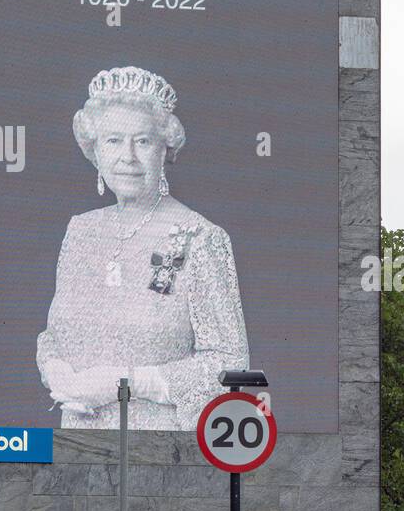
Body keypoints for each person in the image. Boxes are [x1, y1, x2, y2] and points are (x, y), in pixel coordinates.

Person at [37, 66, 249, 430]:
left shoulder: (200, 238)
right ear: (95, 151)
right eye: (113, 141)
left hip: (157, 449)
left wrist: (129, 383)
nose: (128, 157)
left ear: (165, 149)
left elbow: (231, 364)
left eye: (143, 141)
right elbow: (53, 336)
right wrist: (52, 368)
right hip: (75, 443)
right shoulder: (80, 231)